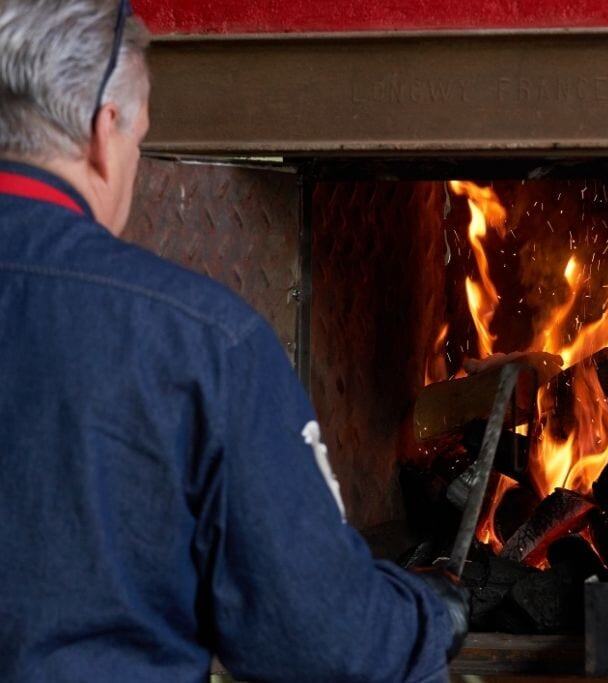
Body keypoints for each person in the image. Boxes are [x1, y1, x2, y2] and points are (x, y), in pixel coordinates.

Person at [0, 1, 468, 681]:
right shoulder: (199, 339)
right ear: (106, 133)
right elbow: (324, 640)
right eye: (141, 141)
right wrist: (431, 614)